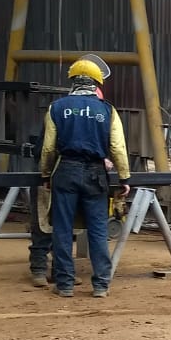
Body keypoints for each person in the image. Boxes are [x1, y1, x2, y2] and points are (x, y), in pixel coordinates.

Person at [39, 55, 131, 299]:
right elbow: (118, 147)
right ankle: (101, 285)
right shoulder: (107, 110)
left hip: (65, 171)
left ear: (73, 81)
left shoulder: (56, 108)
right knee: (98, 230)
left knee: (62, 229)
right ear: (96, 83)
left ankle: (65, 285)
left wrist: (46, 174)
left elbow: (48, 148)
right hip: (95, 174)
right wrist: (124, 177)